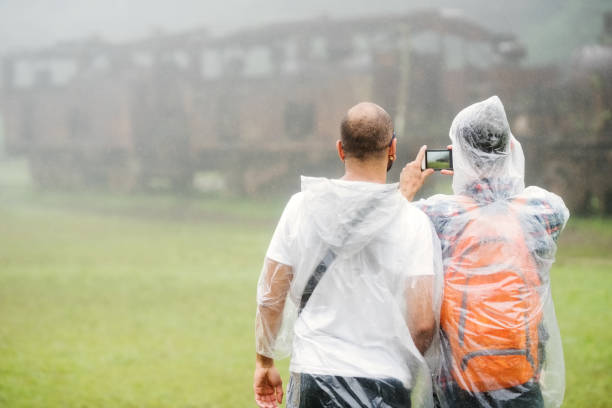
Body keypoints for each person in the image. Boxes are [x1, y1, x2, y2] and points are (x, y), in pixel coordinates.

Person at [253, 102, 443, 408]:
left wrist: (264, 362)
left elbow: (270, 296)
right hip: (385, 379)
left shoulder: (300, 207)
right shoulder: (413, 222)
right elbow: (422, 324)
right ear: (392, 148)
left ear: (341, 150)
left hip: (313, 375)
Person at [399, 96, 569, 408]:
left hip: (456, 388)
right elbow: (516, 194)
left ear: (458, 156)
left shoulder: (436, 217)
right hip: (522, 381)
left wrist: (407, 188)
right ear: (509, 149)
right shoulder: (543, 211)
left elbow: (391, 230)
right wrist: (496, 166)